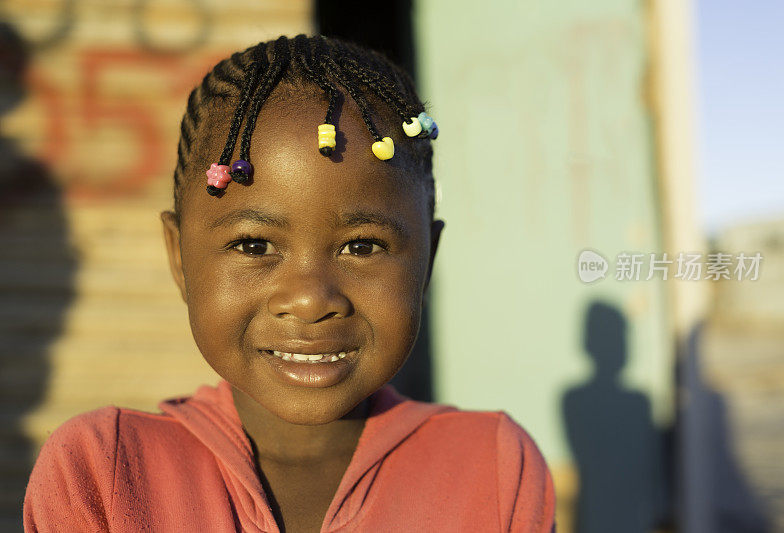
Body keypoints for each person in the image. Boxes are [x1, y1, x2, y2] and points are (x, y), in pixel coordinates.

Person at [23, 34, 556, 532]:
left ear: (428, 261)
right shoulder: (106, 469)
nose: (308, 300)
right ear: (180, 257)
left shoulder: (493, 468)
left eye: (362, 246)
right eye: (254, 246)